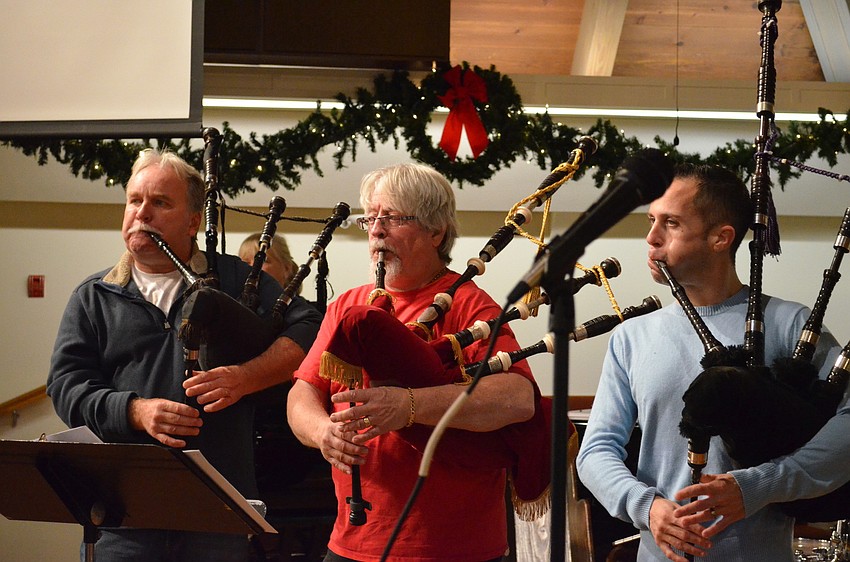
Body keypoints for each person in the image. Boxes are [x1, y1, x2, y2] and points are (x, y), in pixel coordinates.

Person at [47, 148, 322, 561]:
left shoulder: (234, 279)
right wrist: (134, 411)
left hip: (219, 513)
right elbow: (66, 388)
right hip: (123, 518)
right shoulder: (94, 296)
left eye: (160, 202)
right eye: (134, 200)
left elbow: (311, 327)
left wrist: (247, 377)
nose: (142, 213)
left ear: (193, 221)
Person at [576, 163, 850, 561]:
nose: (651, 238)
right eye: (652, 220)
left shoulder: (790, 324)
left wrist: (758, 486)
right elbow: (596, 450)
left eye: (671, 223)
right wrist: (647, 507)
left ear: (721, 238)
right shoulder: (631, 337)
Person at [286, 162, 539, 562]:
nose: (376, 230)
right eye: (370, 218)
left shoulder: (469, 304)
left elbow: (517, 398)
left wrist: (409, 406)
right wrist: (322, 432)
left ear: (436, 231)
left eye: (392, 218)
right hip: (354, 541)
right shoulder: (347, 306)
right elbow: (302, 394)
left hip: (451, 549)